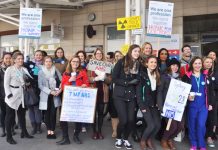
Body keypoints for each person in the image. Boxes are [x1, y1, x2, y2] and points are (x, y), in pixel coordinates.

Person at [57, 55, 90, 145]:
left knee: (78, 118)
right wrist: (69, 80)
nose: (75, 63)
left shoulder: (83, 72)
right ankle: (65, 138)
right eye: (73, 61)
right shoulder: (66, 73)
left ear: (79, 63)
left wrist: (85, 85)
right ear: (70, 62)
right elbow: (63, 87)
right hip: (68, 99)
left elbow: (87, 82)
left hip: (79, 99)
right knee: (63, 118)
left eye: (77, 62)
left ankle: (76, 136)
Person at [113, 44, 140, 149]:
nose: (137, 53)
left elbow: (138, 78)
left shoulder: (138, 64)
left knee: (131, 120)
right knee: (123, 120)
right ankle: (119, 138)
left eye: (138, 51)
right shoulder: (121, 62)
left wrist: (137, 80)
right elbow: (114, 78)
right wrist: (127, 82)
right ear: (130, 51)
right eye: (135, 51)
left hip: (131, 95)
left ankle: (125, 139)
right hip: (119, 95)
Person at [182, 57, 213, 150]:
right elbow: (183, 90)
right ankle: (194, 144)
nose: (198, 65)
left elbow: (211, 91)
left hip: (203, 105)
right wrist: (187, 96)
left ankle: (202, 144)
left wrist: (210, 103)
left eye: (199, 63)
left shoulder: (206, 76)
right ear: (192, 64)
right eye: (195, 63)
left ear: (202, 65)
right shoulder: (187, 76)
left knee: (201, 124)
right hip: (192, 105)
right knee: (192, 125)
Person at [4, 52, 33, 144]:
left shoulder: (24, 69)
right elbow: (6, 84)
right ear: (14, 60)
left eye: (22, 58)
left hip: (22, 95)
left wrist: (28, 82)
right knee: (10, 117)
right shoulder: (10, 69)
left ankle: (24, 132)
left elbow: (30, 80)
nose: (21, 60)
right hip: (12, 95)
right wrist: (9, 95)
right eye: (18, 59)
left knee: (22, 115)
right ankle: (9, 136)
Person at [157, 58, 184, 150]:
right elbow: (159, 92)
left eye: (177, 65)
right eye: (173, 65)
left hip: (178, 107)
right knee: (172, 126)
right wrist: (161, 106)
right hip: (167, 106)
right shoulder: (164, 77)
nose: (175, 67)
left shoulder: (180, 77)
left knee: (180, 126)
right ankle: (164, 140)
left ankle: (169, 139)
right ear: (169, 66)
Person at [136, 55, 161, 150]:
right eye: (151, 62)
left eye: (155, 62)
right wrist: (141, 106)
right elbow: (139, 93)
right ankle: (143, 140)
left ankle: (149, 139)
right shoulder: (142, 75)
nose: (153, 64)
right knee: (151, 125)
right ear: (147, 63)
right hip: (144, 104)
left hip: (154, 104)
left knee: (158, 125)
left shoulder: (157, 75)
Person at [88, 48, 112, 140]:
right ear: (94, 54)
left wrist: (104, 78)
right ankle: (94, 131)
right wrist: (95, 79)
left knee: (101, 113)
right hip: (93, 90)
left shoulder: (106, 65)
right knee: (93, 113)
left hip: (102, 91)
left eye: (100, 53)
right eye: (97, 53)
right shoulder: (91, 64)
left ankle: (99, 131)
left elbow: (110, 80)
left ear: (102, 54)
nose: (99, 55)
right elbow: (88, 77)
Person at [38, 56, 62, 139]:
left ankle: (53, 130)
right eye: (46, 61)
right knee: (47, 114)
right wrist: (50, 91)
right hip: (46, 95)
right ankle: (49, 130)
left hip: (55, 95)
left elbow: (61, 81)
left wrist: (59, 90)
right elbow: (40, 85)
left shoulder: (55, 70)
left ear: (52, 62)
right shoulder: (41, 72)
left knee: (53, 113)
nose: (48, 63)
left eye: (50, 61)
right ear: (44, 62)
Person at [24, 50, 43, 135]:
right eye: (37, 55)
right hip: (29, 89)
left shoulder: (44, 65)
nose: (38, 56)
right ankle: (34, 127)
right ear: (34, 56)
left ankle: (38, 127)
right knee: (30, 108)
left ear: (42, 56)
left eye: (40, 55)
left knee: (37, 109)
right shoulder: (29, 64)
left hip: (39, 89)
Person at [202, 57, 216, 148]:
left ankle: (209, 137)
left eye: (210, 62)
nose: (209, 64)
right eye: (207, 62)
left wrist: (211, 103)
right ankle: (200, 136)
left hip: (211, 100)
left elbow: (211, 91)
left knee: (212, 120)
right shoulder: (200, 73)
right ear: (203, 63)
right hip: (202, 101)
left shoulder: (212, 74)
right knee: (202, 121)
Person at [0, 52, 12, 137]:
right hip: (2, 94)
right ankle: (3, 129)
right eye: (6, 58)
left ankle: (11, 128)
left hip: (12, 94)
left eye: (9, 58)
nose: (8, 60)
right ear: (3, 59)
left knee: (11, 112)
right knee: (3, 112)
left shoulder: (13, 68)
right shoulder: (0, 69)